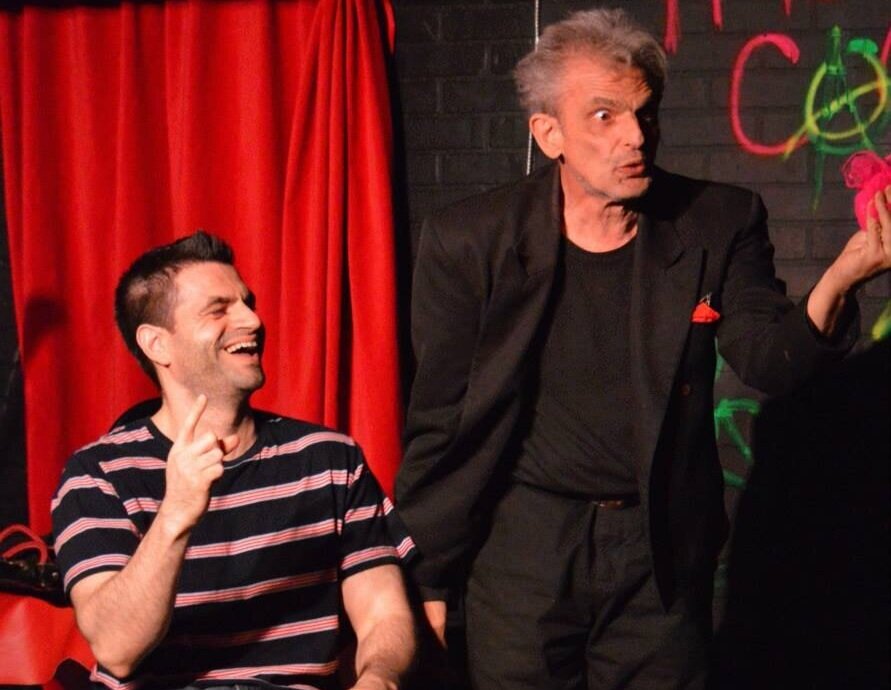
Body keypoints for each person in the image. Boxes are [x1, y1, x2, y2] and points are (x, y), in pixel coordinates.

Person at [395, 8, 891, 690]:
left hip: (657, 552)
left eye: (644, 113)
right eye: (604, 116)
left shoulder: (716, 220)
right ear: (548, 134)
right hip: (523, 547)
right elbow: (443, 420)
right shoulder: (471, 240)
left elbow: (769, 359)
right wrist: (425, 575)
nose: (635, 136)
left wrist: (842, 277)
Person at [52, 232, 417, 690]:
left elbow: (383, 612)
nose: (252, 320)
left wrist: (380, 676)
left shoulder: (329, 459)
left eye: (248, 303)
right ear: (157, 344)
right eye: (218, 309)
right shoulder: (98, 475)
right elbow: (116, 649)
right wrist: (176, 515)